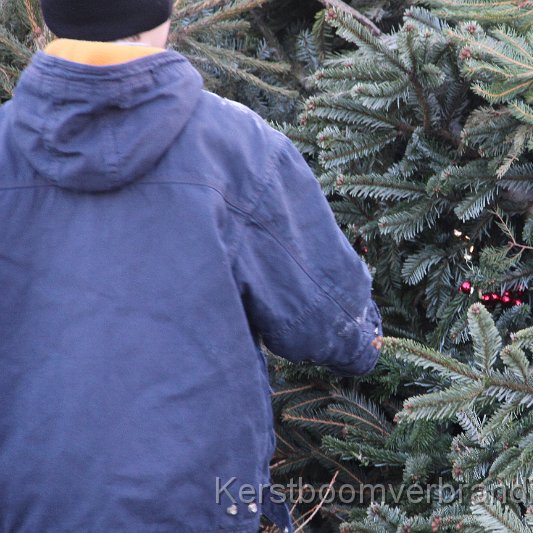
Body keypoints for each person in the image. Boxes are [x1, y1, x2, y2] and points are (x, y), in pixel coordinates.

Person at [0, 1, 383, 532]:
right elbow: (335, 327)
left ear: (48, 17)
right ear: (166, 10)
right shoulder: (241, 149)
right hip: (197, 509)